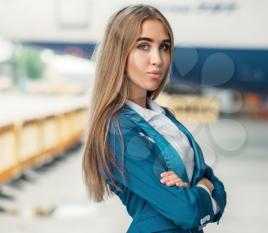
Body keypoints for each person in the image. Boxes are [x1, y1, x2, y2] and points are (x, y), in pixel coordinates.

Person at [82, 4, 226, 233]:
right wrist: (205, 188)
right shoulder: (116, 130)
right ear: (119, 53)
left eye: (164, 47)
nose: (157, 59)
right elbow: (186, 212)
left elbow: (215, 184)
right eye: (143, 46)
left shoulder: (164, 117)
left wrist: (199, 188)